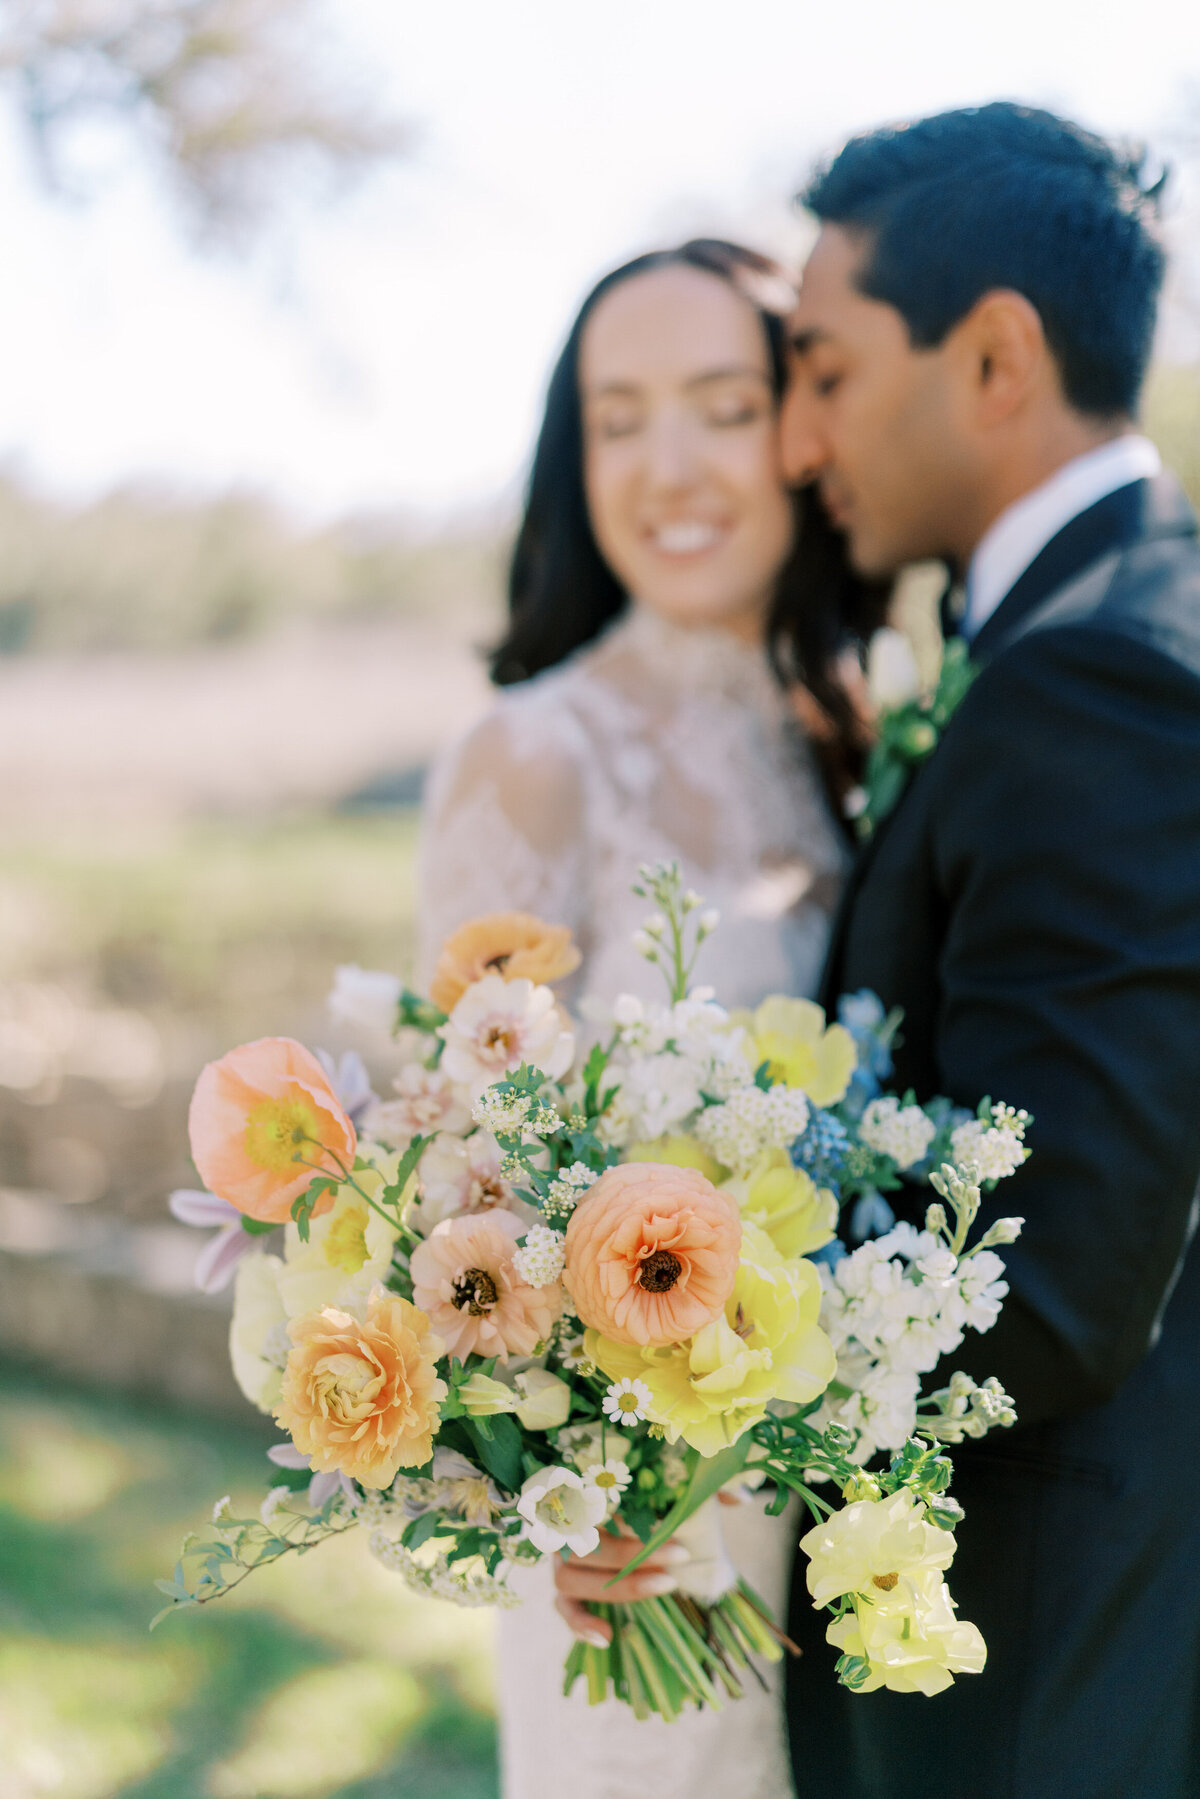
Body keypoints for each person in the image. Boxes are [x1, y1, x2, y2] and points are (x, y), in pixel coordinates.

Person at [417, 238, 885, 1799]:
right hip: (643, 1551)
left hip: (872, 1531)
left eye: (716, 406)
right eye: (618, 421)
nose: (666, 466)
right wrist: (532, 1494)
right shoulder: (531, 754)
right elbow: (459, 1199)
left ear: (804, 428)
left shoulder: (873, 738)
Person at [781, 102, 1200, 1799]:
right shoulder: (1089, 621)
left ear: (997, 355)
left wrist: (669, 1375)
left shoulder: (1095, 677)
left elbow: (1060, 1280)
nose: (802, 440)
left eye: (825, 366)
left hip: (1034, 1671)